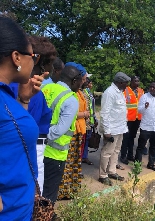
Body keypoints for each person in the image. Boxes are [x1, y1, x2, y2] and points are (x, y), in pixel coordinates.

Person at [0, 16, 47, 220]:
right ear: (16, 57)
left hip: (21, 206)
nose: (34, 62)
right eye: (33, 56)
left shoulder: (8, 94)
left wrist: (24, 99)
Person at [42, 65, 81, 203]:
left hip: (37, 150)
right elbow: (59, 130)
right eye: (81, 81)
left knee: (36, 190)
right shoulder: (71, 99)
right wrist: (42, 139)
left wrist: (36, 140)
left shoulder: (45, 88)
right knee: (48, 195)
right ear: (75, 80)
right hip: (54, 154)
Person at [27, 36, 57, 194]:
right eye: (51, 63)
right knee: (35, 193)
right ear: (40, 62)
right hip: (33, 148)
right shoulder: (31, 90)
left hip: (34, 146)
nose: (52, 69)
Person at [57, 62, 88, 200]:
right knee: (67, 163)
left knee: (75, 161)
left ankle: (71, 189)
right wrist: (84, 114)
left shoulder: (80, 92)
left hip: (79, 130)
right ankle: (63, 191)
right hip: (71, 131)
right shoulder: (69, 93)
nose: (85, 81)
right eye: (83, 78)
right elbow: (71, 113)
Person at [98, 72, 130, 186]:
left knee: (116, 151)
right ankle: (103, 175)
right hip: (111, 129)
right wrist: (107, 132)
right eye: (126, 83)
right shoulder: (109, 93)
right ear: (120, 82)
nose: (127, 85)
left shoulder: (120, 92)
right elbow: (105, 113)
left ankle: (112, 171)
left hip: (120, 128)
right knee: (107, 152)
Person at [134, 82, 155, 171]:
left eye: (154, 87)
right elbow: (139, 110)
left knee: (154, 146)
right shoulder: (144, 97)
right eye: (151, 87)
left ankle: (151, 164)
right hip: (146, 126)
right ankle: (137, 165)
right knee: (141, 146)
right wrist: (145, 107)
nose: (151, 88)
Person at [120, 76, 144, 165]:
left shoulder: (141, 91)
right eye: (135, 81)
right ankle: (123, 156)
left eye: (138, 81)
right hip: (127, 119)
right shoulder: (125, 90)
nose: (137, 82)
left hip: (137, 118)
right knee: (125, 138)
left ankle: (130, 155)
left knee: (132, 138)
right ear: (131, 82)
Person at [82, 77, 98, 165]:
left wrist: (95, 119)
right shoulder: (82, 92)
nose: (91, 85)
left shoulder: (88, 92)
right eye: (89, 83)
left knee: (87, 140)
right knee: (83, 140)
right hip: (85, 120)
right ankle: (82, 157)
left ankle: (84, 156)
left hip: (90, 120)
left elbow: (92, 107)